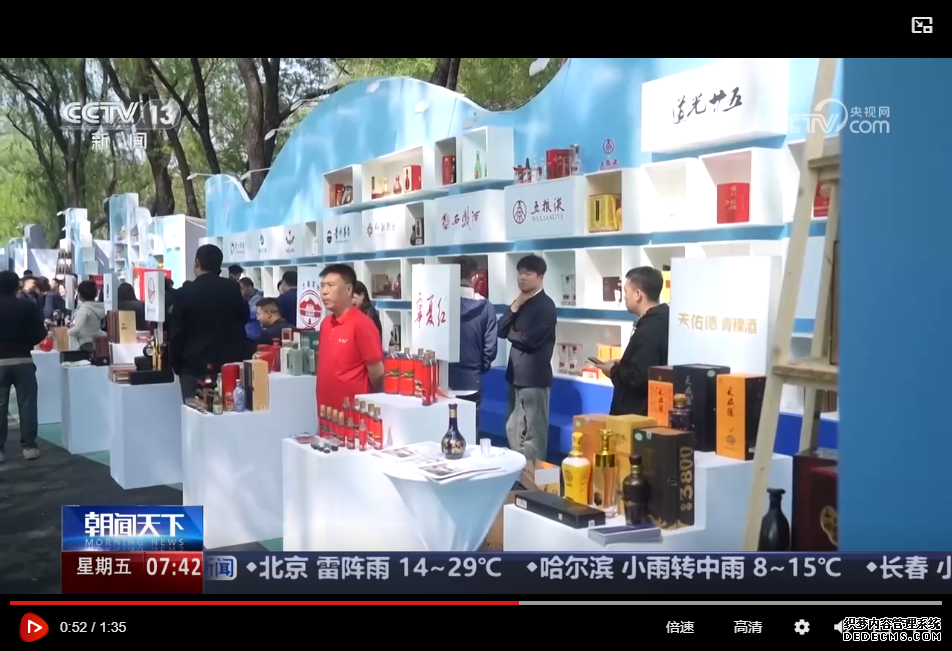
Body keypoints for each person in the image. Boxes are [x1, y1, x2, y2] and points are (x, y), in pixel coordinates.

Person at [169, 244, 249, 402]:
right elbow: (243, 317)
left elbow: (177, 332)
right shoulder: (232, 288)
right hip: (227, 364)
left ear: (197, 263)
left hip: (193, 366)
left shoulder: (184, 293)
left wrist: (176, 365)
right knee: (229, 409)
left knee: (195, 412)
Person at [497, 254, 557, 462]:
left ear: (540, 277)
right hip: (514, 378)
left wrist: (512, 333)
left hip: (535, 381)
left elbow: (531, 340)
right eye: (520, 273)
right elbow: (500, 330)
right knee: (513, 430)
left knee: (534, 437)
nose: (522, 277)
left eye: (528, 274)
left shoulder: (546, 306)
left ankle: (535, 478)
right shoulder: (520, 303)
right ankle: (518, 474)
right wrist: (514, 306)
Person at [593, 267, 670, 416]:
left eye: (626, 292)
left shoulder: (650, 329)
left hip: (636, 415)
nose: (624, 297)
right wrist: (623, 364)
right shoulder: (662, 321)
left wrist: (613, 371)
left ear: (638, 294)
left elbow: (639, 376)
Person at [317, 263, 384, 414]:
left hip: (353, 415)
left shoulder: (362, 324)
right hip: (326, 412)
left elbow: (377, 372)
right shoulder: (325, 324)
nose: (324, 292)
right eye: (322, 286)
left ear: (348, 290)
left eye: (330, 285)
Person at [0, 270, 47, 463]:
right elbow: (40, 332)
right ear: (17, 285)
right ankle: (29, 446)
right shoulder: (27, 306)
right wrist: (27, 344)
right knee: (27, 404)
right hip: (23, 359)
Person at [447, 256, 498, 425]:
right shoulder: (486, 307)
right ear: (475, 277)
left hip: (441, 382)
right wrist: (478, 368)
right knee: (470, 430)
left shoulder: (441, 303)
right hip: (471, 381)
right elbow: (490, 347)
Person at [67, 280, 105, 350]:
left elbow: (77, 328)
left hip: (85, 343)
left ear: (79, 294)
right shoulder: (99, 308)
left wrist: (67, 332)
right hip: (95, 342)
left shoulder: (84, 309)